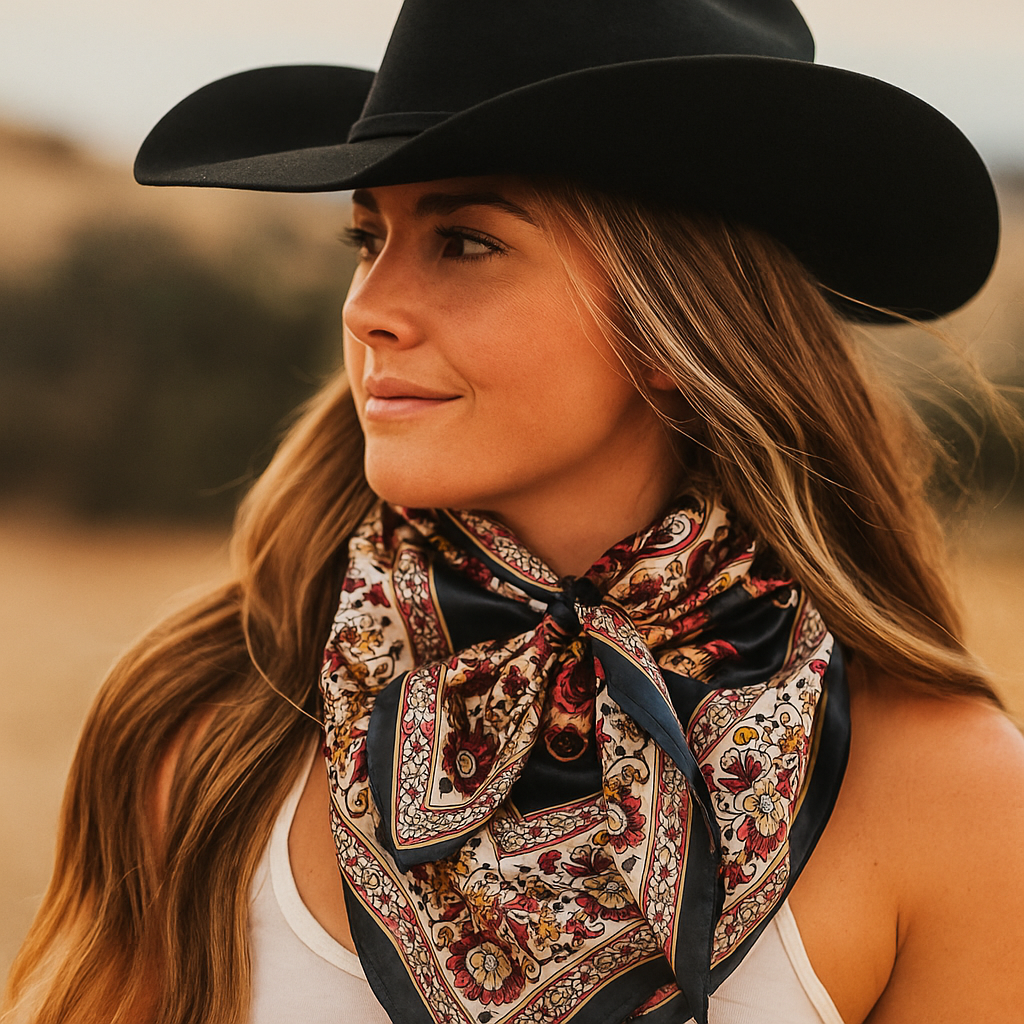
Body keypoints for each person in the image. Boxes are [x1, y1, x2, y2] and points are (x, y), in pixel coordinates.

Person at [5, 1, 1024, 1022]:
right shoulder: (212, 720)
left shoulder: (953, 797)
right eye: (368, 239)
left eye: (464, 242)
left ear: (675, 331)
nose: (367, 307)